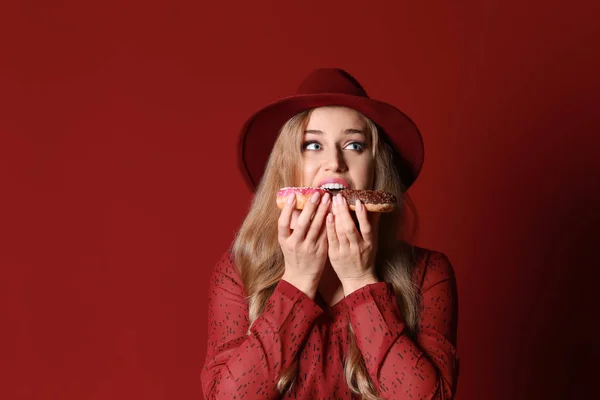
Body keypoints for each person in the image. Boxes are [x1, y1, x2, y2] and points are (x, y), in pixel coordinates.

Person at [201, 69, 459, 399]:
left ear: (375, 165)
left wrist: (360, 279)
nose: (334, 163)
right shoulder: (238, 273)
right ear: (287, 166)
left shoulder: (427, 273)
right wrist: (297, 280)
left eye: (354, 145)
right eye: (312, 145)